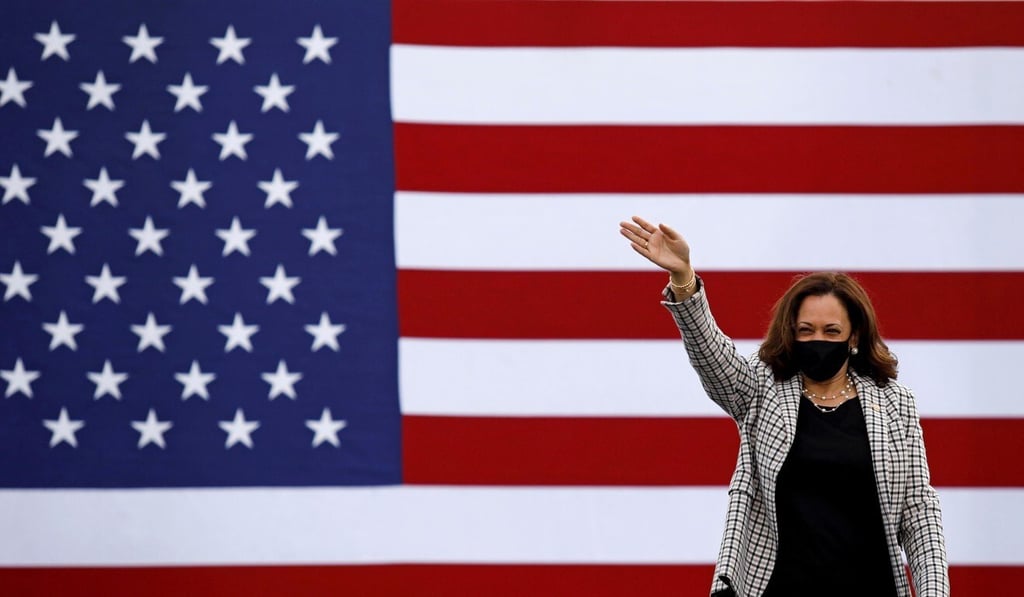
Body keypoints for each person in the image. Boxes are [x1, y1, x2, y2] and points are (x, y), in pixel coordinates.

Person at [619, 216, 949, 597]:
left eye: (831, 332)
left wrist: (933, 591)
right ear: (790, 333)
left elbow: (919, 511)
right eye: (805, 330)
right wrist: (684, 279)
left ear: (854, 335)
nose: (817, 340)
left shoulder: (895, 402)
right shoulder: (762, 388)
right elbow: (712, 358)